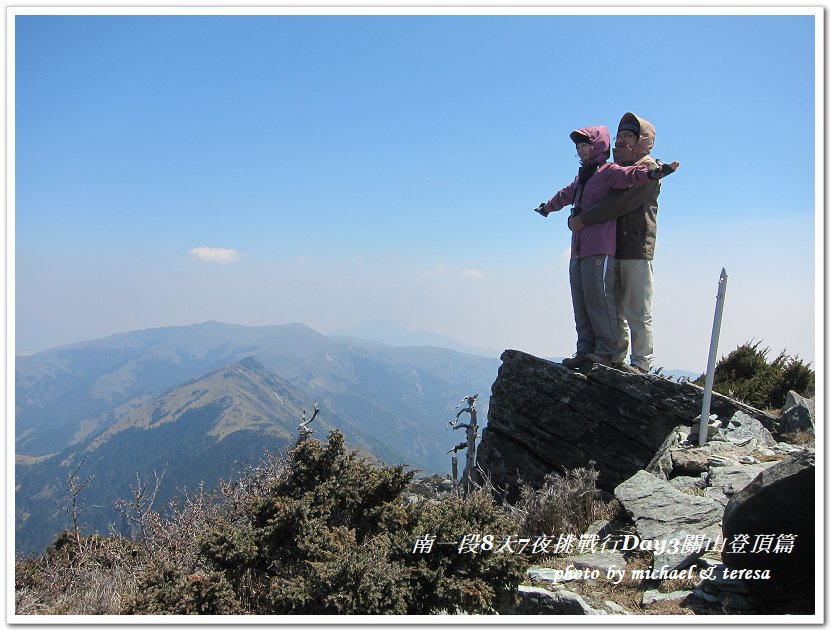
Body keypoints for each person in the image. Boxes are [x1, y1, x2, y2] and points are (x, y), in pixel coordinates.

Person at [535, 124, 678, 370]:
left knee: (600, 302)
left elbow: (631, 176)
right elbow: (565, 194)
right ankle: (585, 349)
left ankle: (609, 351)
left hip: (599, 247)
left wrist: (653, 173)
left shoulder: (608, 171)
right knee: (582, 303)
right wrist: (547, 207)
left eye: (585, 145)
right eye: (578, 147)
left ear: (598, 146)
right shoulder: (583, 177)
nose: (581, 150)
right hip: (578, 249)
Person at [568, 113, 665, 374]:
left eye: (628, 136)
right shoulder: (614, 169)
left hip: (636, 246)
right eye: (620, 135)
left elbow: (622, 204)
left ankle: (641, 363)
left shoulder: (647, 168)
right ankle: (615, 358)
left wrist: (583, 219)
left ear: (642, 140)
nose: (621, 140)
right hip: (612, 247)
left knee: (637, 308)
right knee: (614, 308)